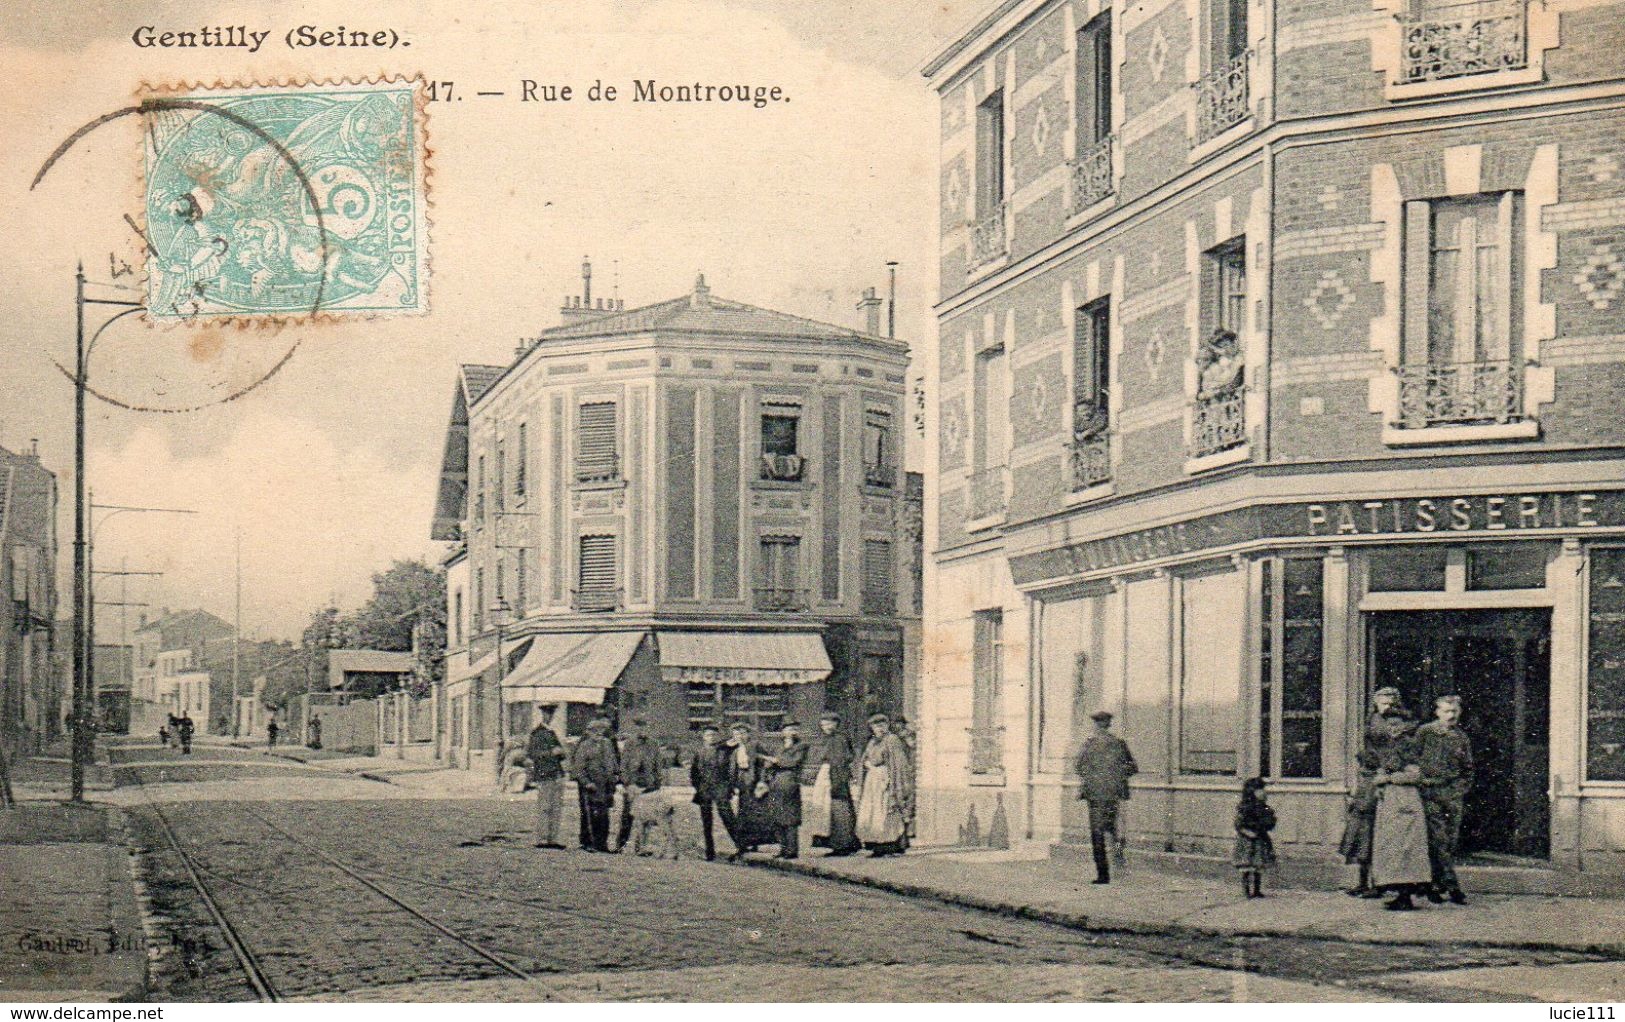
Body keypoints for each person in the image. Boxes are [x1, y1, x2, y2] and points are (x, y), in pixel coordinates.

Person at [1340, 687, 1412, 897]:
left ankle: (1377, 883)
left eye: (1389, 703)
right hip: (1366, 776)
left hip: (1382, 778)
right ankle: (1363, 880)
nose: (1385, 707)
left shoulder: (1399, 727)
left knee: (1376, 831)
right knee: (1361, 829)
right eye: (1381, 702)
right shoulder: (1371, 720)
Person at [1416, 695, 1473, 905]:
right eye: (1447, 711)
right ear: (1437, 712)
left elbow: (1468, 769)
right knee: (1438, 840)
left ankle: (1434, 884)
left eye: (1455, 711)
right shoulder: (1425, 732)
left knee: (1449, 841)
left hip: (1452, 794)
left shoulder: (1461, 738)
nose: (1451, 715)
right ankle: (1452, 886)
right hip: (1430, 792)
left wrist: (1459, 789)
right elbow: (1412, 759)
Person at [1370, 727, 1434, 911]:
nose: (1393, 729)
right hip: (1391, 800)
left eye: (1398, 724)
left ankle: (1406, 895)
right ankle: (1399, 893)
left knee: (1407, 847)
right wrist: (1381, 780)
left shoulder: (1410, 747)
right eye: (1389, 725)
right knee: (1393, 847)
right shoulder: (1385, 747)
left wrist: (1390, 777)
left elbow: (1416, 775)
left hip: (1406, 799)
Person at [1074, 710, 1138, 884]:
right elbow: (1132, 768)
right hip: (1113, 795)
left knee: (1097, 833)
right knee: (1112, 829)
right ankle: (1119, 862)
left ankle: (1103, 873)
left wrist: (1094, 777)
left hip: (1095, 795)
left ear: (1096, 724)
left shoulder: (1089, 744)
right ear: (1108, 724)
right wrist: (1116, 777)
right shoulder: (1119, 743)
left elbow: (1078, 767)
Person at [855, 713, 913, 857]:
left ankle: (889, 846)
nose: (879, 729)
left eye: (882, 725)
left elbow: (898, 764)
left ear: (887, 726)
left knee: (886, 811)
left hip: (885, 779)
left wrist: (892, 782)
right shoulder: (872, 742)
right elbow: (865, 758)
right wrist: (866, 764)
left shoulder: (892, 740)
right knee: (872, 812)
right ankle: (875, 845)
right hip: (872, 782)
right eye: (876, 726)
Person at [810, 712, 861, 856]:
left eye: (829, 723)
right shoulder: (824, 739)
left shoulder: (840, 739)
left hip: (838, 777)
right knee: (826, 810)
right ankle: (834, 842)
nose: (826, 726)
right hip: (826, 775)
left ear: (836, 724)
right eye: (824, 724)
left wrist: (839, 776)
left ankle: (843, 844)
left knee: (840, 810)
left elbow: (846, 757)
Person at [614, 718, 665, 853]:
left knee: (646, 818)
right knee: (628, 816)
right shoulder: (629, 744)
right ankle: (620, 845)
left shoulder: (654, 744)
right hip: (633, 786)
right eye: (640, 727)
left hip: (648, 786)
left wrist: (657, 784)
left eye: (646, 727)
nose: (643, 730)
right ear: (635, 729)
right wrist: (628, 784)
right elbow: (623, 766)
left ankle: (641, 847)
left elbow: (658, 766)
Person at [761, 721, 809, 859]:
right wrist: (770, 763)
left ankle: (792, 850)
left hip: (790, 782)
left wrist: (776, 761)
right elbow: (769, 764)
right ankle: (783, 848)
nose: (790, 732)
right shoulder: (778, 746)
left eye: (793, 730)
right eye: (787, 730)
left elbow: (793, 762)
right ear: (783, 732)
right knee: (777, 816)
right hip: (776, 782)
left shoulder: (801, 746)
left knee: (790, 816)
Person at [571, 718, 620, 852]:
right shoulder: (584, 746)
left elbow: (613, 762)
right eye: (595, 730)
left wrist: (616, 775)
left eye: (601, 730)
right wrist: (587, 783)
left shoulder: (608, 744)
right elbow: (578, 769)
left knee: (604, 816)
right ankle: (589, 843)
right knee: (591, 815)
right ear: (589, 732)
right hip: (591, 786)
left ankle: (602, 844)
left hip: (606, 786)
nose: (598, 733)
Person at [723, 722, 769, 860]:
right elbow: (733, 769)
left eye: (743, 733)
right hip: (742, 784)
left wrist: (762, 781)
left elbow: (765, 765)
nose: (740, 736)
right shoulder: (736, 750)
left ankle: (755, 842)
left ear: (748, 734)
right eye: (736, 734)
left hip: (754, 783)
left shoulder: (755, 746)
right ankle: (747, 842)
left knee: (755, 812)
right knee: (744, 813)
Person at [689, 724, 734, 861]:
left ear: (718, 736)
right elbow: (694, 773)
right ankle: (710, 852)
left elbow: (730, 771)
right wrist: (699, 788)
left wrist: (728, 787)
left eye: (714, 735)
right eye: (708, 735)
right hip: (705, 791)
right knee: (707, 822)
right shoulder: (699, 753)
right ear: (703, 737)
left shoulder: (725, 751)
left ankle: (741, 846)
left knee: (728, 818)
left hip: (721, 789)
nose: (711, 737)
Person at [525, 715, 569, 850]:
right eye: (547, 714)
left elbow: (561, 755)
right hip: (544, 774)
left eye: (551, 714)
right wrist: (552, 752)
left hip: (556, 773)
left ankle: (553, 838)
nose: (549, 717)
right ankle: (542, 838)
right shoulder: (536, 733)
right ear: (543, 716)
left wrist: (561, 752)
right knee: (544, 807)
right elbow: (532, 754)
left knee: (556, 807)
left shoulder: (552, 733)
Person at [1233, 777, 1277, 899]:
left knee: (1259, 865)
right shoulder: (1245, 808)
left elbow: (1271, 821)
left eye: (1263, 789)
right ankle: (1246, 890)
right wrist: (1247, 832)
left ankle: (1257, 890)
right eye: (1260, 789)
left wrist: (1268, 824)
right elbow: (1238, 824)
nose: (1263, 792)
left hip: (1260, 839)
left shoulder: (1264, 808)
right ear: (1252, 791)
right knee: (1246, 865)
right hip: (1248, 841)